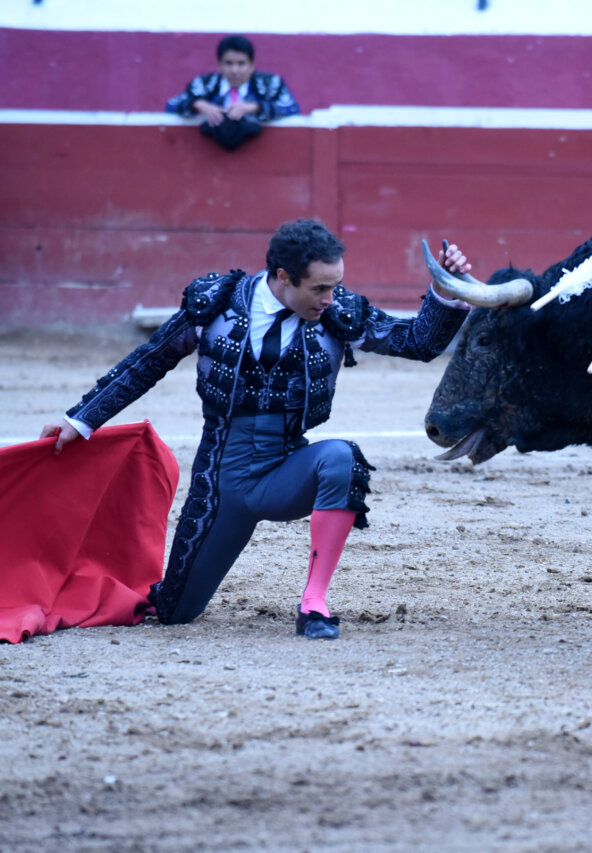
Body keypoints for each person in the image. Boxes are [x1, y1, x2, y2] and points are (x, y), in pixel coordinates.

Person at [40, 219, 477, 639]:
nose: (330, 298)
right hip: (219, 483)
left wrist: (446, 290)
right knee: (175, 612)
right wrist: (82, 418)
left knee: (342, 459)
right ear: (283, 276)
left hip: (286, 472)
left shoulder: (338, 312)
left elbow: (418, 342)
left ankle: (314, 604)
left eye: (335, 286)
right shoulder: (216, 303)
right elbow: (150, 360)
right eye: (319, 288)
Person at [165, 34, 300, 151]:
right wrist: (198, 105)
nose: (235, 70)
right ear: (219, 65)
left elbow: (292, 108)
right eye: (228, 63)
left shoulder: (270, 84)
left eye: (241, 64)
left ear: (252, 65)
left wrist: (255, 107)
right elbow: (171, 105)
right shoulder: (204, 84)